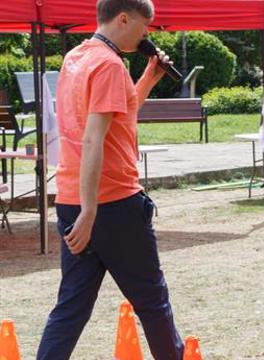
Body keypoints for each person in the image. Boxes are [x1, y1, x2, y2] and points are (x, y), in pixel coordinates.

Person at [37, 0, 183, 359]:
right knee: (152, 301)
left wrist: (149, 77)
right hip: (112, 204)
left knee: (71, 308)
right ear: (123, 19)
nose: (146, 35)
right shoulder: (109, 64)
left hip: (71, 199)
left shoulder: (76, 59)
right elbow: (93, 139)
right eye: (143, 27)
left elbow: (120, 116)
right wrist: (91, 211)